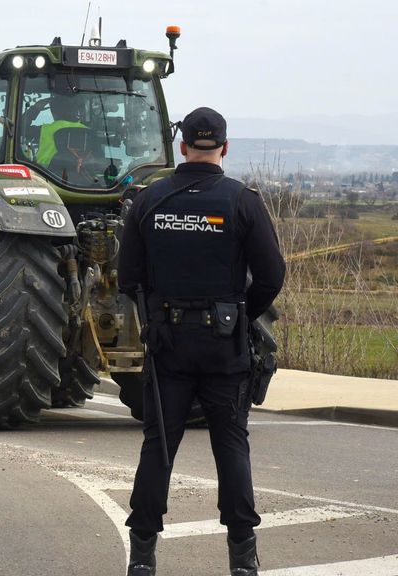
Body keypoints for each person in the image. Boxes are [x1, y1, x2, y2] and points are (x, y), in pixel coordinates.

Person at [117, 107, 286, 576]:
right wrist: (241, 315)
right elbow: (272, 274)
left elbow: (127, 277)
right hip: (225, 346)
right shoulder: (242, 202)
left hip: (168, 345)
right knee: (231, 445)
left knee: (159, 446)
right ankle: (243, 559)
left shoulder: (148, 202)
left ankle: (143, 558)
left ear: (181, 147)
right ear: (225, 148)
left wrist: (156, 315)